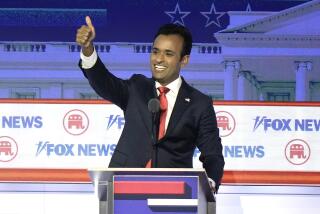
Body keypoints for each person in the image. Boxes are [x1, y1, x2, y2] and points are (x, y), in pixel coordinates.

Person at [76, 16, 224, 192]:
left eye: (168, 54)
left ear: (184, 60)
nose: (159, 59)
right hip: (123, 185)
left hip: (174, 191)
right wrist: (87, 49)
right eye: (155, 51)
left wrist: (211, 183)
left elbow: (212, 153)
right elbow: (104, 83)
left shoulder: (199, 103)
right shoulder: (137, 87)